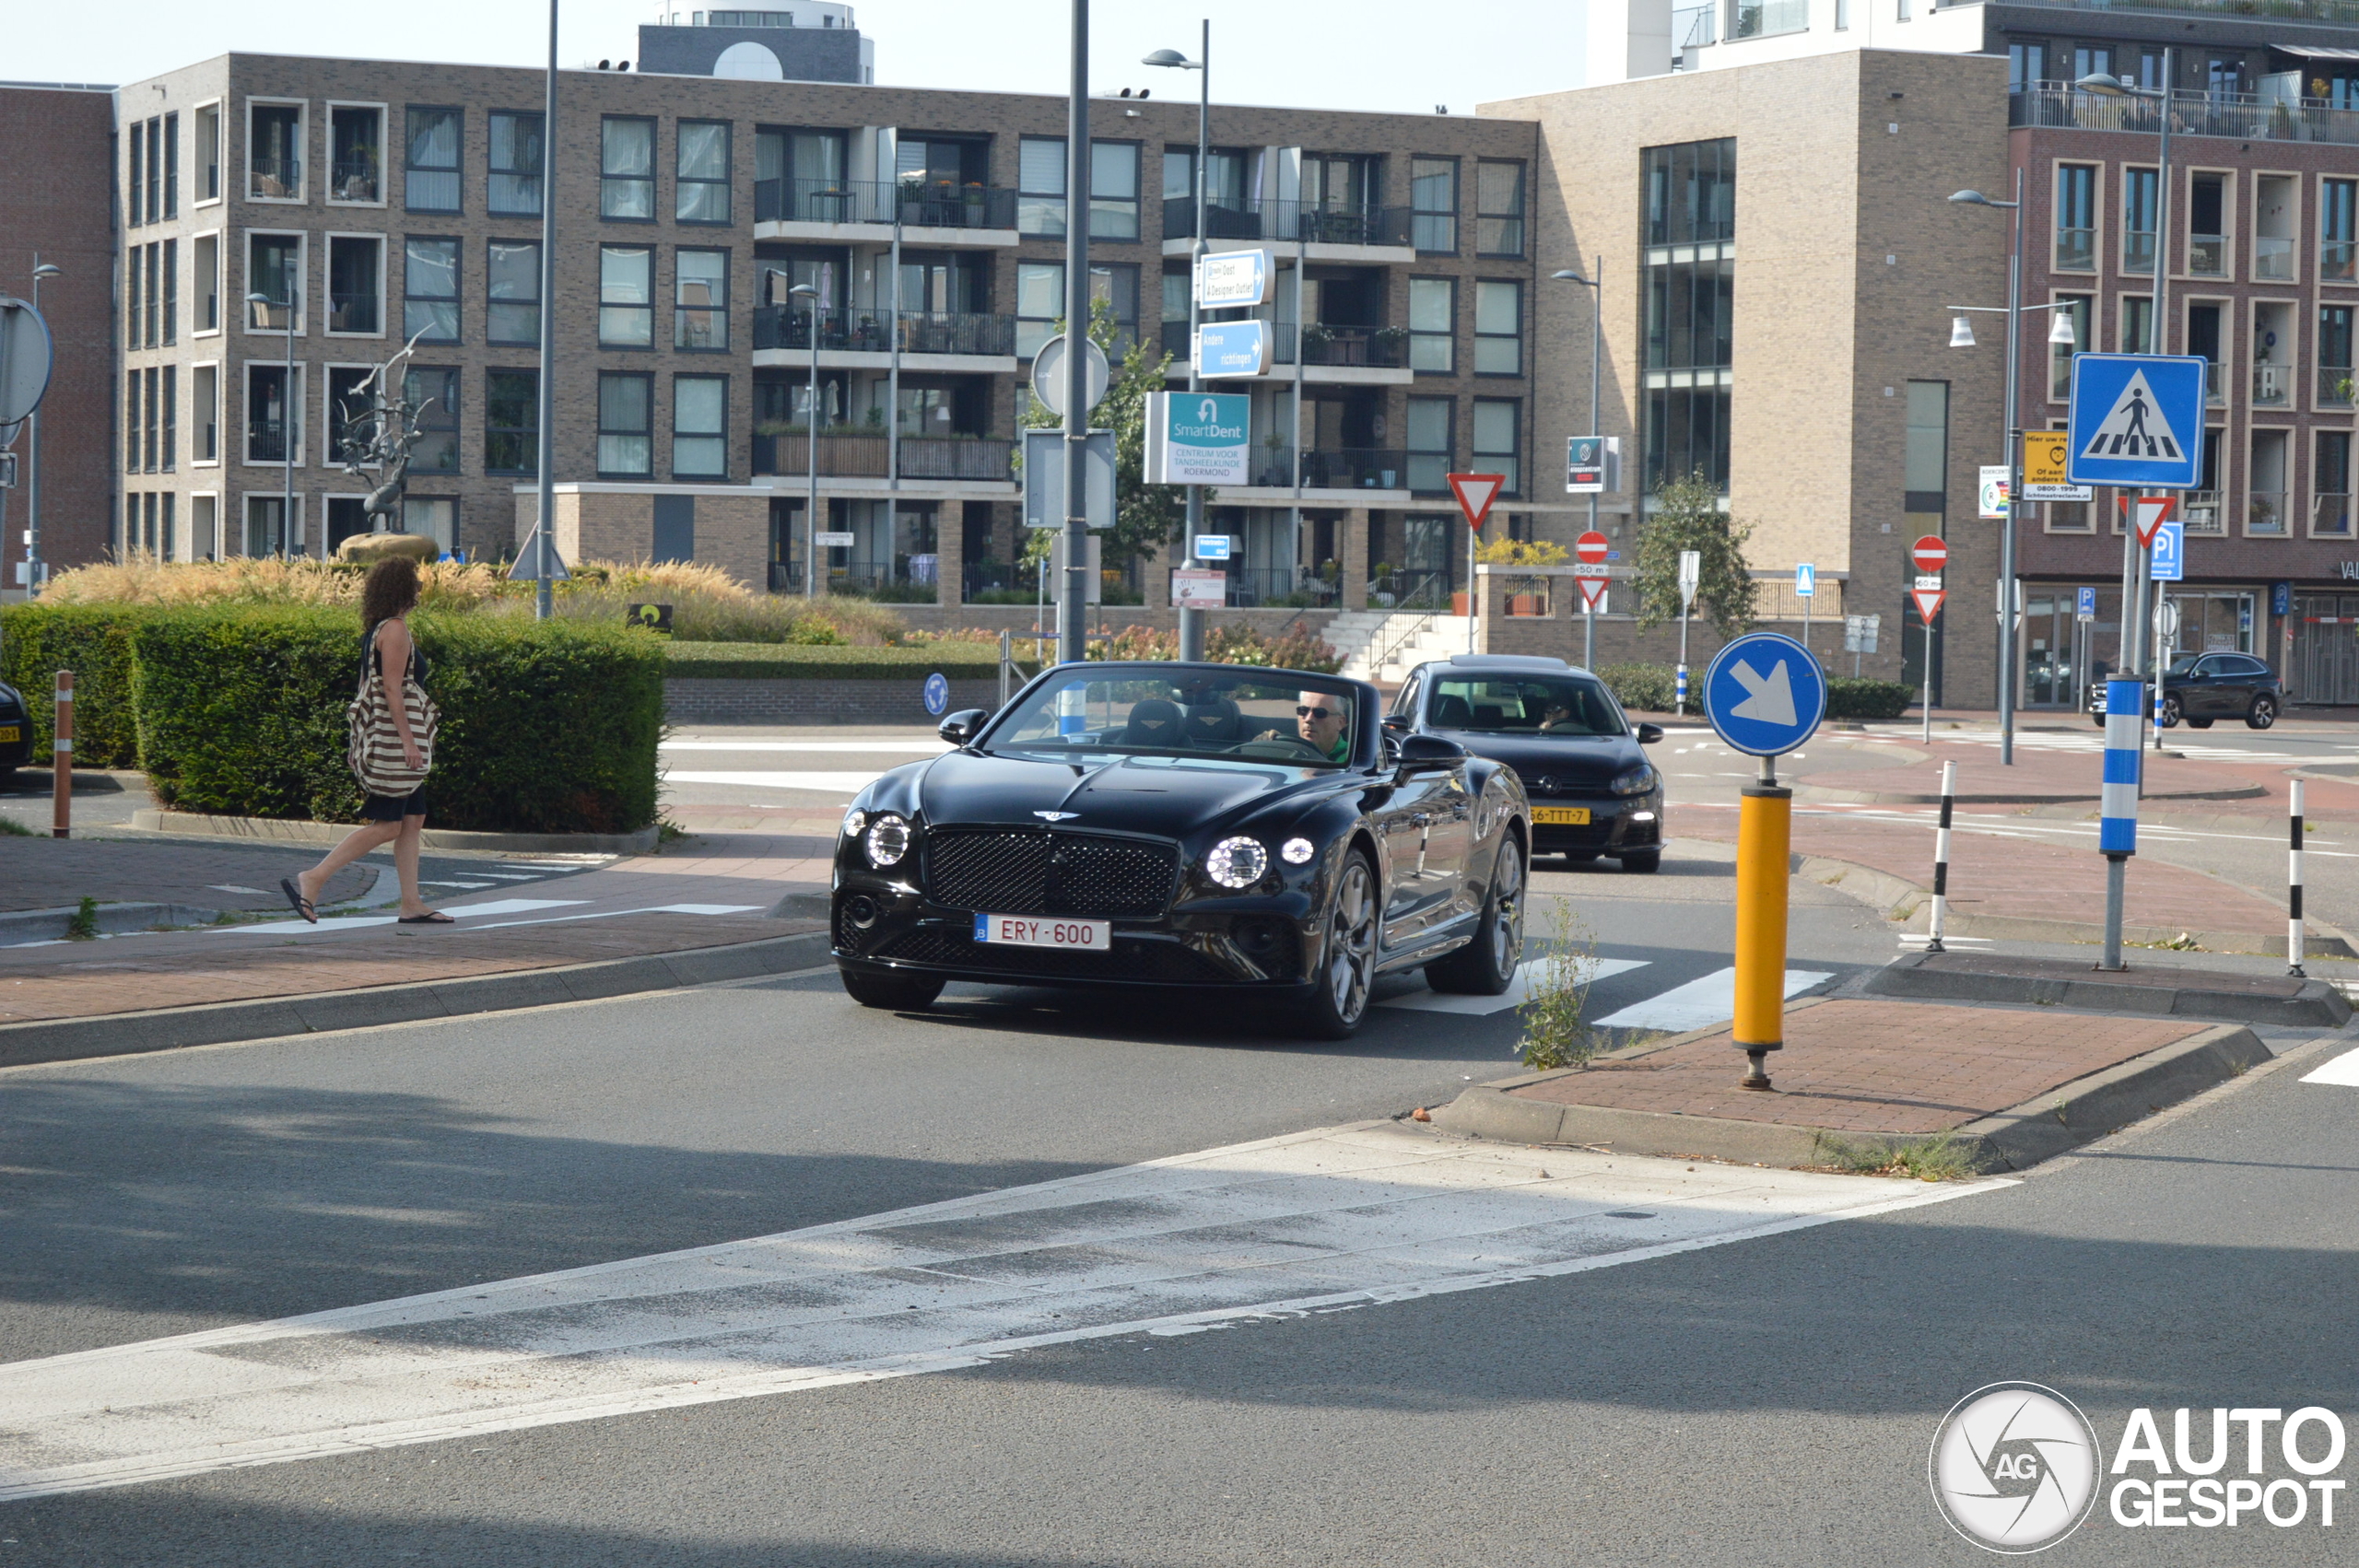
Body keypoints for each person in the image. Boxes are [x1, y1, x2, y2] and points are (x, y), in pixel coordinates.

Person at [279, 556, 451, 925]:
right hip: (394, 744)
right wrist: (408, 742)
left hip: (383, 739)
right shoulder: (396, 630)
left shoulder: (377, 630)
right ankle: (315, 877)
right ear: (402, 588)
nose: (420, 588)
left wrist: (359, 742)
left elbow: (365, 692)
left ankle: (411, 903)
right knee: (388, 825)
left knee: (413, 817)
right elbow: (391, 689)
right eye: (415, 582)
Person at [1255, 691, 1351, 762]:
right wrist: (1268, 746)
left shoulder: (1351, 758)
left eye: (1320, 713)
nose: (1308, 719)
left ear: (1340, 722)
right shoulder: (1286, 749)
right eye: (1303, 711)